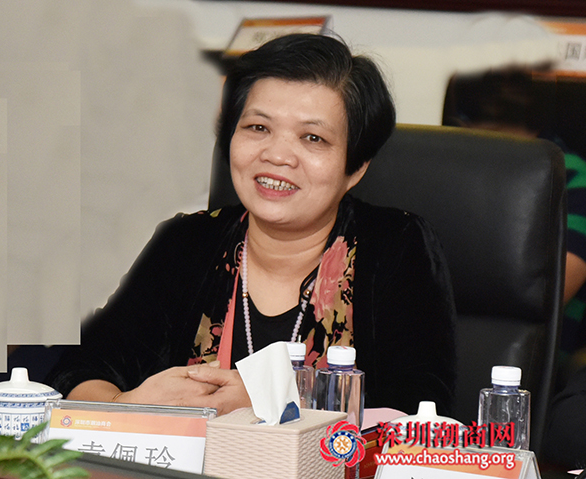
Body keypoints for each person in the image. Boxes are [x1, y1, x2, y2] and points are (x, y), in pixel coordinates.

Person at [48, 33, 456, 417]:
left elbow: (422, 407)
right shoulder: (187, 242)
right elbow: (79, 371)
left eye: (312, 138)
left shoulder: (395, 247)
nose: (277, 155)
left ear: (356, 167)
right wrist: (127, 404)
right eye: (258, 128)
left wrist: (273, 401)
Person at [443, 68, 586, 388]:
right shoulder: (452, 168)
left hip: (532, 372)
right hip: (433, 345)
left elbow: (552, 291)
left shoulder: (574, 180)